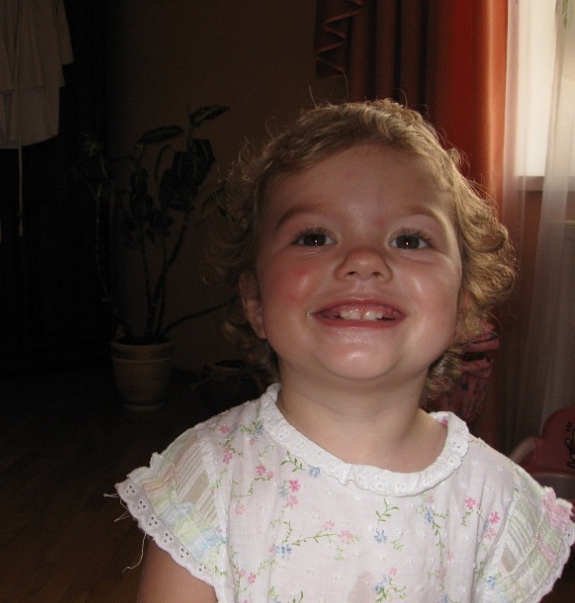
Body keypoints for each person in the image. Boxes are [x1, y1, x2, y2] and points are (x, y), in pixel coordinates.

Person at [115, 100, 575, 602]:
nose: (363, 259)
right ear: (256, 301)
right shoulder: (207, 480)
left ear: (463, 305)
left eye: (410, 240)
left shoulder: (498, 506)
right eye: (315, 237)